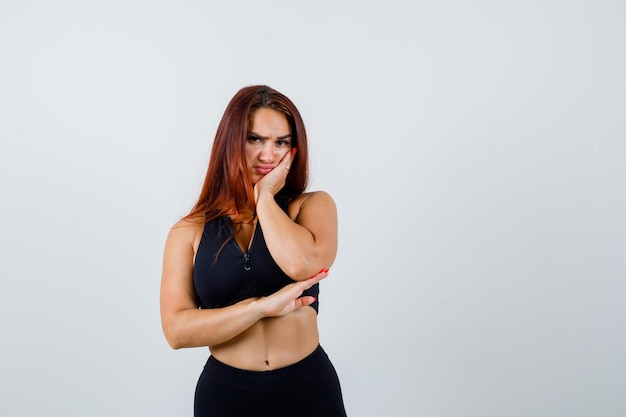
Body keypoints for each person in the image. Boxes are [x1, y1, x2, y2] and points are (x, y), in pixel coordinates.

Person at [160, 85, 347, 417]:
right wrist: (261, 308)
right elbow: (177, 331)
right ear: (231, 143)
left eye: (281, 142)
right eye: (255, 139)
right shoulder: (189, 231)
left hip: (308, 389)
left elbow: (300, 263)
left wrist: (264, 197)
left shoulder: (312, 207)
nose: (268, 155)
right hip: (226, 396)